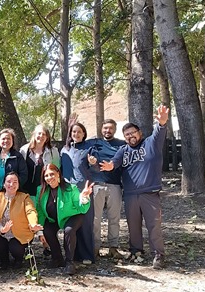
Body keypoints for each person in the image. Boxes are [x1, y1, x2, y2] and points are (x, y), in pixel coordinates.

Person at [100, 105, 170, 269]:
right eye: (127, 135)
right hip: (130, 195)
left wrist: (161, 121)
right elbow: (115, 162)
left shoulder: (151, 143)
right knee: (133, 226)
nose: (131, 136)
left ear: (140, 133)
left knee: (154, 226)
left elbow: (160, 130)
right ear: (124, 138)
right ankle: (136, 251)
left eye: (133, 133)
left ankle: (158, 255)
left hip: (150, 193)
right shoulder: (123, 150)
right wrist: (110, 166)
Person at [35, 164, 93, 275]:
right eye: (46, 175)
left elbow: (81, 207)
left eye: (52, 174)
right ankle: (57, 258)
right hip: (53, 218)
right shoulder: (41, 190)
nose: (49, 177)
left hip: (72, 216)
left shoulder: (71, 188)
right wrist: (40, 231)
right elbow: (40, 211)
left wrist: (84, 198)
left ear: (58, 174)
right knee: (48, 231)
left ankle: (69, 262)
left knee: (69, 230)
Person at [84, 119, 126, 259]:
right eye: (105, 128)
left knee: (114, 218)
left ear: (115, 130)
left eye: (111, 128)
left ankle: (113, 247)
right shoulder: (94, 143)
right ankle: (95, 247)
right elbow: (76, 141)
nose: (108, 131)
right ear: (101, 129)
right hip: (97, 185)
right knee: (95, 219)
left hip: (114, 185)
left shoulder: (121, 145)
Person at [60, 119, 98, 264]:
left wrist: (94, 163)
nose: (76, 134)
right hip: (68, 190)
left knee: (86, 222)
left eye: (79, 132)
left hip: (84, 188)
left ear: (84, 134)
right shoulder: (64, 149)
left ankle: (87, 255)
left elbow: (96, 168)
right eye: (74, 131)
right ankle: (73, 255)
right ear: (70, 133)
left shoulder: (89, 148)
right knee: (71, 223)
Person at [0, 172, 42, 269]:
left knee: (15, 247)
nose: (11, 184)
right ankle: (4, 261)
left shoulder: (24, 197)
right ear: (4, 184)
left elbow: (31, 211)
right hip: (1, 232)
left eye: (15, 182)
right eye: (8, 181)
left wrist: (33, 224)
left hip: (19, 233)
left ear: (18, 184)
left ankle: (18, 260)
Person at [0, 128, 28, 196]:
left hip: (14, 193)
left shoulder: (18, 157)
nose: (6, 141)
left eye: (8, 138)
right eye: (3, 139)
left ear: (13, 141)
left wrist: (12, 188)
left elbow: (23, 175)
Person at [19, 124, 61, 198]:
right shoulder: (24, 150)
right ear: (34, 135)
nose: (41, 136)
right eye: (39, 133)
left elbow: (57, 170)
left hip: (44, 191)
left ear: (47, 138)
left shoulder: (53, 152)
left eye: (44, 134)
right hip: (25, 191)